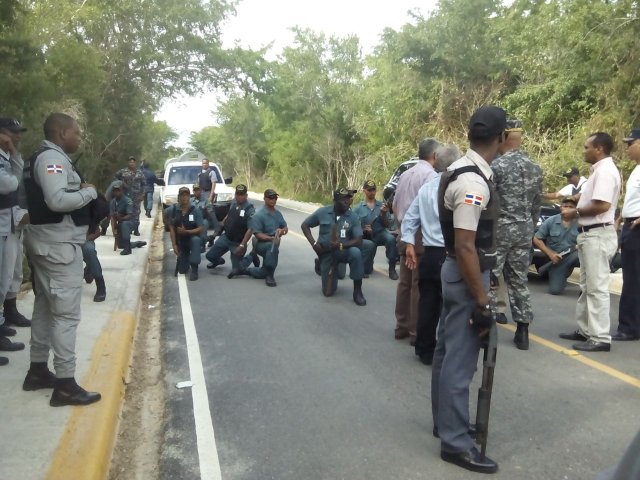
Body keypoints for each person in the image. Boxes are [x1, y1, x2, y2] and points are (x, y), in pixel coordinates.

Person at [431, 105, 506, 474]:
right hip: (466, 275)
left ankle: (445, 423)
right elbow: (465, 246)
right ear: (502, 138)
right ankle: (455, 443)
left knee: (446, 353)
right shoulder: (473, 183)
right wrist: (482, 299)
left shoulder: (457, 170)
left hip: (457, 272)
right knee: (459, 362)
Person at [22, 112, 101, 406]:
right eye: (76, 133)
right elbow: (56, 200)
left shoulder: (41, 158)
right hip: (58, 247)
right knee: (66, 316)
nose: (79, 138)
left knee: (44, 308)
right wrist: (89, 193)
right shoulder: (51, 160)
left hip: (47, 244)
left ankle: (38, 371)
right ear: (62, 133)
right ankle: (66, 384)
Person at [559, 132, 621, 352]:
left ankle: (600, 337)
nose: (584, 151)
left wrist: (574, 212)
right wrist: (576, 200)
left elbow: (602, 205)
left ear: (599, 148)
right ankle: (586, 330)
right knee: (587, 286)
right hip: (590, 234)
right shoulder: (598, 171)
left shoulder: (605, 172)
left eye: (587, 147)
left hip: (597, 233)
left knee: (596, 288)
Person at [402, 144, 460, 365]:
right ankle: (447, 352)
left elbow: (410, 218)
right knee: (451, 306)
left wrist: (409, 242)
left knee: (428, 302)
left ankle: (424, 349)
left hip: (430, 254)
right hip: (450, 254)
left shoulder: (427, 188)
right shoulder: (458, 188)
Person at [490, 118, 543, 350]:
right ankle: (523, 331)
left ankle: (488, 328)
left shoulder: (497, 167)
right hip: (524, 230)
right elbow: (536, 206)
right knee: (519, 280)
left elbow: (489, 203)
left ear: (502, 137)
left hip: (500, 230)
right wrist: (529, 228)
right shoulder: (535, 167)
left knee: (492, 277)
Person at [392, 138, 441, 342]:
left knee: (404, 282)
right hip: (419, 234)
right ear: (435, 155)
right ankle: (415, 331)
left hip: (403, 231)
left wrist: (401, 227)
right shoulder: (431, 176)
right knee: (417, 284)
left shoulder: (405, 174)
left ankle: (401, 326)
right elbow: (429, 209)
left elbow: (395, 204)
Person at [301, 188, 367, 306]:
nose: (348, 201)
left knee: (356, 252)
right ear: (335, 200)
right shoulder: (323, 212)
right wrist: (314, 244)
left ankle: (357, 291)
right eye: (344, 199)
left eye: (349, 198)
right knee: (328, 292)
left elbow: (358, 240)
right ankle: (321, 264)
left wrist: (341, 245)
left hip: (343, 251)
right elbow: (305, 225)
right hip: (326, 253)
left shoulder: (353, 216)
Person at [0, 118, 26, 363]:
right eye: (12, 132)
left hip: (10, 223)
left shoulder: (8, 156)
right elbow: (9, 184)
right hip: (1, 225)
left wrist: (14, 152)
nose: (17, 137)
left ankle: (4, 320)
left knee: (9, 276)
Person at [612, 129, 640, 341]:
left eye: (631, 143)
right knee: (632, 278)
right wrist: (621, 218)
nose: (627, 148)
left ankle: (629, 328)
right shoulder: (636, 169)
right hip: (629, 226)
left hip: (637, 229)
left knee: (633, 280)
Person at [231, 189, 288, 287]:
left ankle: (245, 270)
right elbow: (258, 234)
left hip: (273, 241)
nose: (273, 200)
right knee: (272, 247)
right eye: (270, 197)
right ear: (264, 198)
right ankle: (270, 275)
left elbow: (285, 227)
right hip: (260, 243)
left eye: (275, 198)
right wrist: (271, 239)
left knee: (263, 271)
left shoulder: (278, 213)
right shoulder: (258, 214)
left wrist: (282, 231)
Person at [532, 197, 580, 295]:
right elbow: (536, 239)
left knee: (590, 258)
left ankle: (588, 288)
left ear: (575, 209)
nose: (567, 209)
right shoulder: (551, 220)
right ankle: (561, 275)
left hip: (576, 256)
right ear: (561, 207)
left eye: (571, 207)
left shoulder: (582, 222)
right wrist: (550, 254)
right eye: (565, 206)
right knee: (555, 290)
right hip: (558, 259)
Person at [352, 180, 398, 279]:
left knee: (390, 239)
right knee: (367, 271)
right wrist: (363, 229)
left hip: (379, 233)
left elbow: (387, 225)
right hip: (366, 237)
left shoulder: (382, 205)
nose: (371, 192)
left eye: (373, 190)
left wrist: (383, 214)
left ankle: (392, 268)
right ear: (364, 190)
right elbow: (353, 227)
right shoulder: (357, 208)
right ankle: (367, 265)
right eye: (369, 190)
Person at [206, 184, 255, 274]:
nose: (239, 197)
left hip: (238, 242)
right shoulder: (233, 202)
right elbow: (228, 215)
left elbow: (250, 229)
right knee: (210, 256)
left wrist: (242, 245)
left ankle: (251, 256)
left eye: (242, 195)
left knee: (237, 269)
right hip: (226, 237)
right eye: (238, 194)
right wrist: (220, 226)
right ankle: (218, 261)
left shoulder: (249, 209)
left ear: (246, 195)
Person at [168, 186, 204, 281]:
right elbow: (171, 228)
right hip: (181, 241)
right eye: (182, 195)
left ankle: (195, 269)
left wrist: (187, 231)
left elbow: (201, 228)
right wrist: (174, 245)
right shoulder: (173, 210)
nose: (184, 197)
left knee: (196, 240)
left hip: (192, 238)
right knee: (182, 270)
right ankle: (184, 258)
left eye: (186, 195)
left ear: (189, 197)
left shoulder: (195, 210)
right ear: (178, 197)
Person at [110, 181, 147, 255]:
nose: (116, 192)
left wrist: (120, 218)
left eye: (118, 190)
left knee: (125, 224)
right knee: (121, 245)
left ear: (122, 191)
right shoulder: (113, 202)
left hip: (132, 222)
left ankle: (128, 250)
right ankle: (137, 243)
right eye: (115, 191)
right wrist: (114, 229)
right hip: (121, 223)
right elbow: (112, 216)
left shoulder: (127, 201)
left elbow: (129, 216)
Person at [113, 156, 145, 235]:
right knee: (126, 212)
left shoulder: (140, 172)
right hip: (125, 195)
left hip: (136, 196)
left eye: (133, 162)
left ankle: (136, 229)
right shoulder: (123, 171)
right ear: (128, 163)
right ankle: (127, 228)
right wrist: (120, 185)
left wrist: (143, 194)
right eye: (130, 162)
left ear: (135, 163)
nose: (132, 163)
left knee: (136, 213)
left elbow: (144, 184)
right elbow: (115, 177)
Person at [82, 224, 106, 302]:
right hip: (64, 242)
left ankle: (100, 284)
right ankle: (88, 270)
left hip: (85, 240)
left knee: (89, 250)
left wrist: (85, 239)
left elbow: (97, 232)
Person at [191, 184, 213, 251]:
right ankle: (209, 238)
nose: (196, 192)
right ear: (193, 191)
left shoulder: (206, 200)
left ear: (201, 190)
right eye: (195, 190)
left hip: (203, 219)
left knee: (204, 224)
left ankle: (202, 245)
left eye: (198, 190)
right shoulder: (190, 201)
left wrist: (206, 210)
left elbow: (210, 212)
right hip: (192, 219)